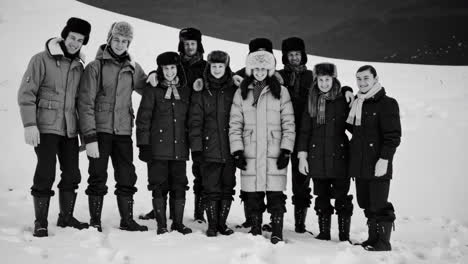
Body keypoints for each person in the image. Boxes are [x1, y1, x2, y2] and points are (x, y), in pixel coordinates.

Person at [18, 17, 91, 237]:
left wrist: (84, 134)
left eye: (80, 40)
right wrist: (29, 124)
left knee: (72, 174)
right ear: (64, 36)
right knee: (46, 172)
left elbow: (81, 102)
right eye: (72, 38)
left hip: (69, 129)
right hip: (45, 127)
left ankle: (66, 217)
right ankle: (41, 221)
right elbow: (26, 93)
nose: (75, 43)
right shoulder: (41, 60)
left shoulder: (79, 66)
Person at [78, 21, 148, 232]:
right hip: (100, 132)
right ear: (109, 39)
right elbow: (85, 103)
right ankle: (95, 221)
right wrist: (89, 137)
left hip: (124, 132)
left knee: (127, 176)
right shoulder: (95, 67)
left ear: (129, 43)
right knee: (98, 176)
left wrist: (157, 78)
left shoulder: (133, 68)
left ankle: (127, 220)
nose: (120, 44)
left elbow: (148, 89)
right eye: (116, 39)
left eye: (124, 41)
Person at [140, 27, 208, 223]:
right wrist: (154, 73)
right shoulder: (176, 62)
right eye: (186, 44)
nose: (189, 47)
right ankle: (160, 210)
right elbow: (164, 71)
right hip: (171, 125)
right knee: (163, 175)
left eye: (192, 43)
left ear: (198, 45)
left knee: (196, 172)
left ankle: (198, 212)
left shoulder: (204, 66)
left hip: (193, 123)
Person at [229, 50, 295, 244]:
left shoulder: (281, 92)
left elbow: (289, 123)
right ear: (250, 70)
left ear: (269, 70)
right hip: (250, 150)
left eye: (263, 68)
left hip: (274, 151)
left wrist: (286, 149)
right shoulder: (242, 92)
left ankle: (277, 230)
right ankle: (256, 228)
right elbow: (235, 124)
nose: (259, 72)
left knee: (276, 194)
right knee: (253, 194)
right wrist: (237, 150)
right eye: (255, 68)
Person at [136, 51, 193, 235]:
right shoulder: (153, 88)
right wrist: (143, 144)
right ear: (160, 69)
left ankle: (177, 223)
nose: (169, 72)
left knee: (179, 185)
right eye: (165, 68)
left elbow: (191, 119)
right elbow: (143, 118)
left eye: (172, 68)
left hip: (180, 148)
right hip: (157, 148)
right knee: (159, 185)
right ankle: (161, 224)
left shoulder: (185, 89)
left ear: (178, 68)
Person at [297, 63, 354, 241]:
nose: (323, 83)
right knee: (321, 196)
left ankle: (344, 235)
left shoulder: (342, 99)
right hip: (316, 157)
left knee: (342, 197)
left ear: (333, 79)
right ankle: (324, 233)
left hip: (339, 157)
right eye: (320, 79)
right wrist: (302, 156)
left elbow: (353, 126)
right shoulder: (311, 99)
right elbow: (305, 131)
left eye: (327, 79)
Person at [347, 65, 401, 251]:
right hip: (360, 164)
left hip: (378, 162)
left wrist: (384, 159)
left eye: (366, 78)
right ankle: (372, 239)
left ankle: (383, 243)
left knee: (379, 204)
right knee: (366, 203)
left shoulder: (387, 103)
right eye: (359, 79)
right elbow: (355, 129)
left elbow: (393, 136)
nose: (362, 82)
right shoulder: (357, 102)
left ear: (375, 79)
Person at [189, 51, 237, 237]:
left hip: (230, 148)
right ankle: (212, 224)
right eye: (214, 66)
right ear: (209, 67)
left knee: (227, 187)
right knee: (210, 188)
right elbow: (195, 121)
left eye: (221, 66)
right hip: (209, 149)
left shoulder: (234, 89)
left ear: (226, 67)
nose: (217, 70)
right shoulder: (201, 90)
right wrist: (197, 149)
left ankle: (222, 224)